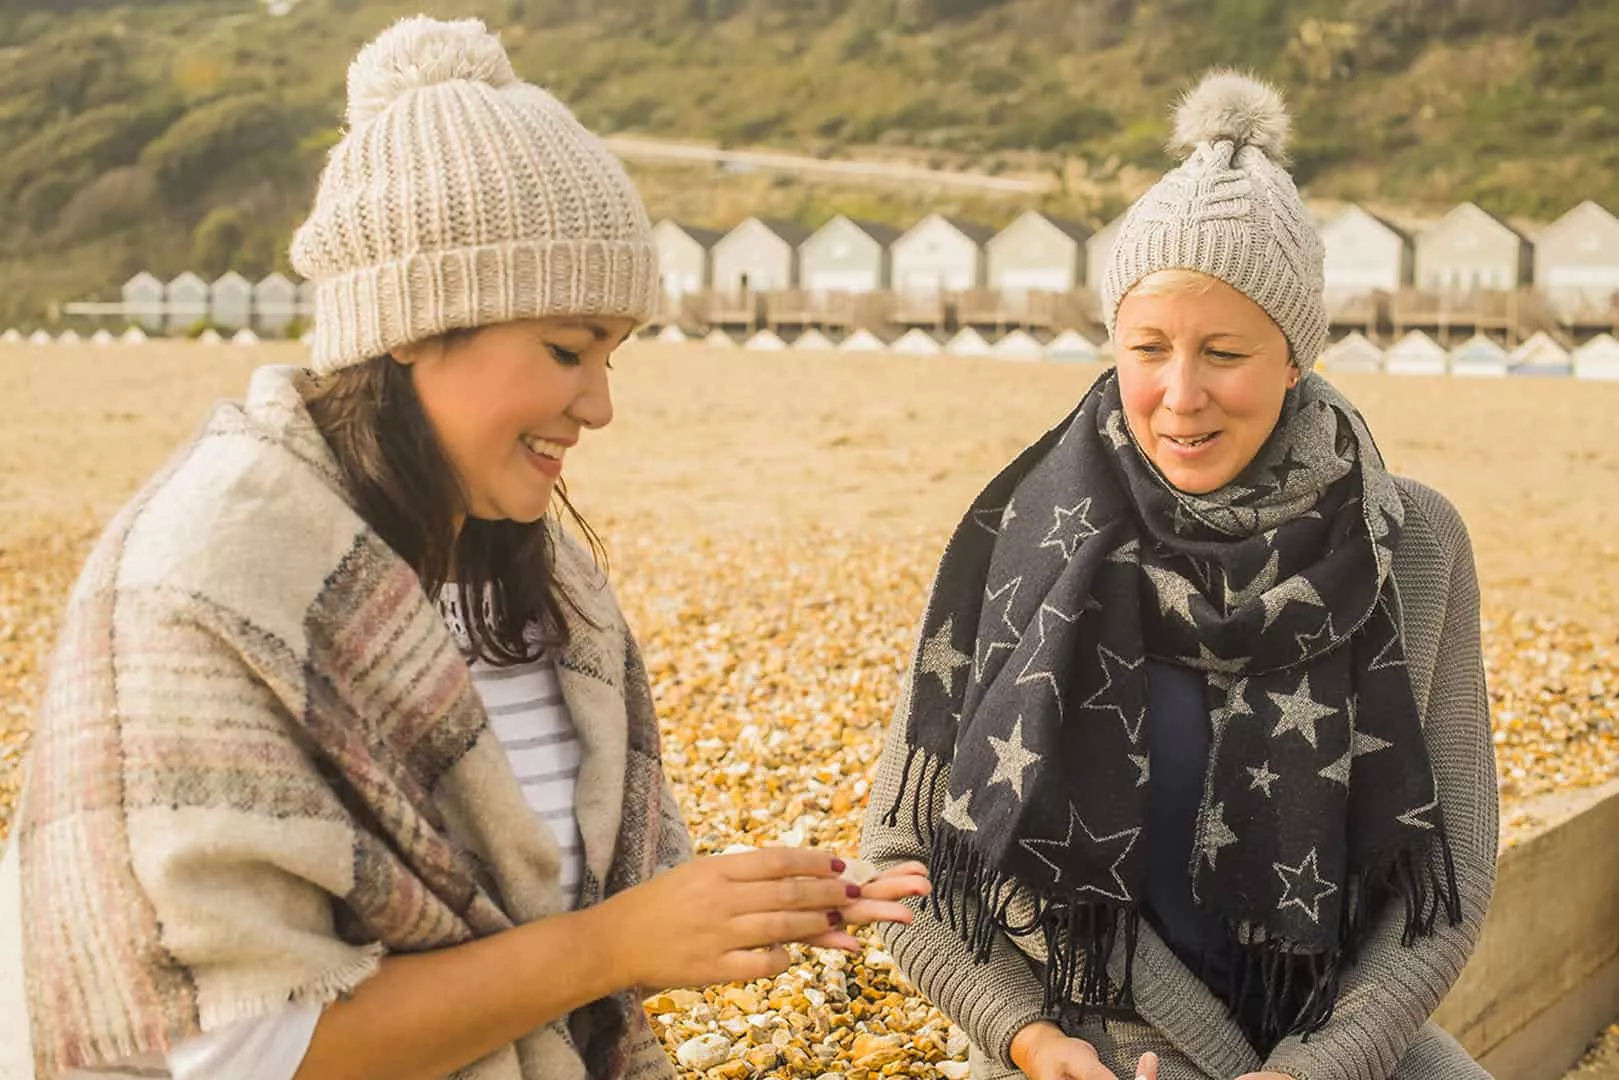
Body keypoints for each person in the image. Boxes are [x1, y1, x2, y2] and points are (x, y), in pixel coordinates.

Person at [0, 16, 928, 1080]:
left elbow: (568, 909)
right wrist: (611, 947)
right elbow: (231, 1049)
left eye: (613, 357)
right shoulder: (206, 585)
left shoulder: (534, 579)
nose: (599, 404)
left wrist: (751, 907)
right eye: (568, 349)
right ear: (410, 321)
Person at [861, 71, 1496, 1080]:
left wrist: (1307, 1068)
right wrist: (1031, 1043)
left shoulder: (1411, 542)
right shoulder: (1018, 535)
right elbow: (901, 869)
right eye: (1146, 348)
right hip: (1081, 1047)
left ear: (1293, 356)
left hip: (1325, 1044)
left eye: (1225, 351)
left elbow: (1447, 878)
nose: (1178, 394)